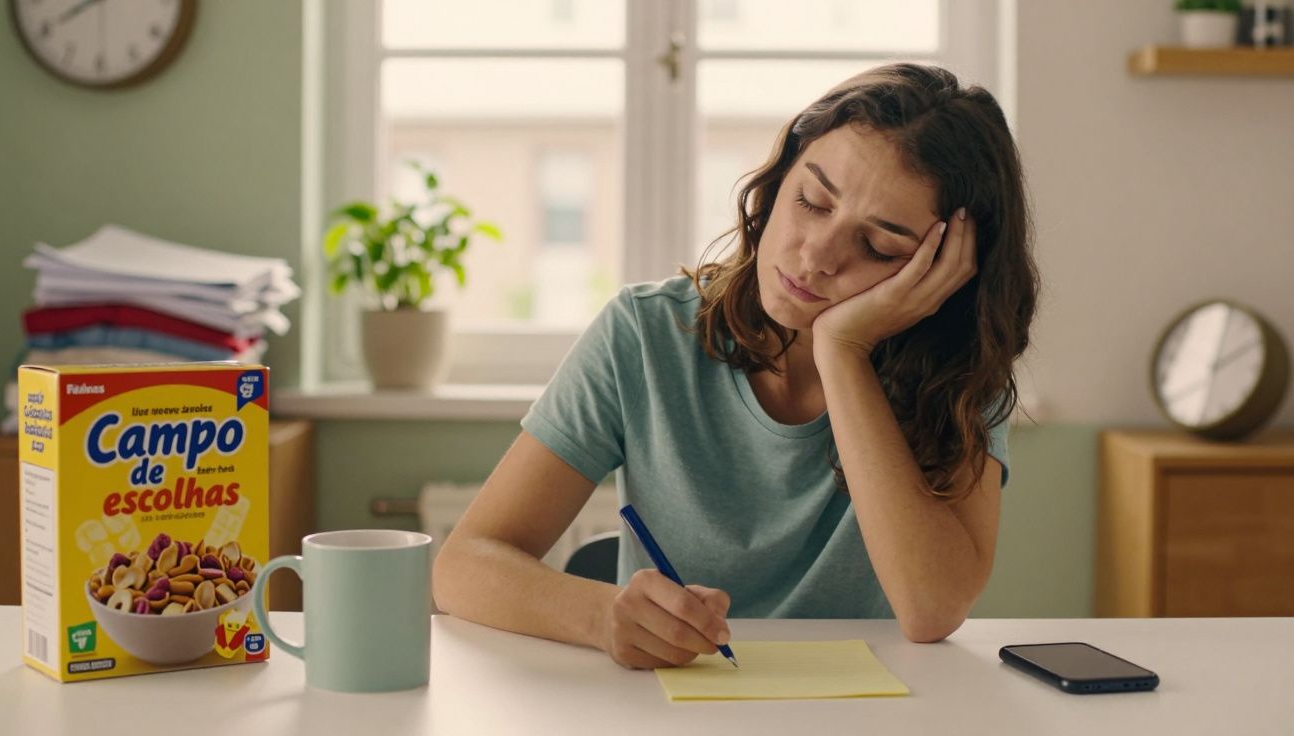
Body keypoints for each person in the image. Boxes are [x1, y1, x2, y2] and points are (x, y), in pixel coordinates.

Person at [432, 62, 1040, 670]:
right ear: (779, 182)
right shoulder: (645, 333)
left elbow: (931, 610)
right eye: (812, 201)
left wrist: (842, 353)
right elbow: (463, 567)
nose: (816, 256)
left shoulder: (960, 374)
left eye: (878, 247)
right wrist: (602, 616)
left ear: (943, 273)